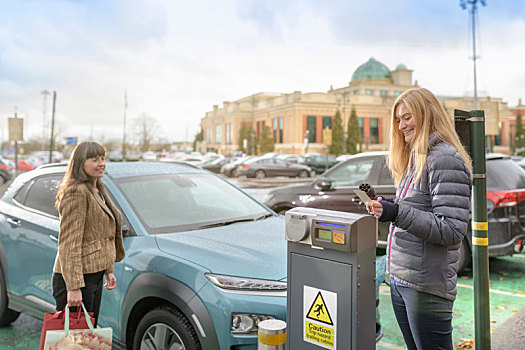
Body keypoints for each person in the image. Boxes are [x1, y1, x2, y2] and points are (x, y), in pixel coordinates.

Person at [366, 88, 472, 349]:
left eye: (407, 117)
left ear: (427, 114)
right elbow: (416, 212)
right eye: (398, 120)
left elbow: (450, 230)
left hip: (426, 287)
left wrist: (396, 213)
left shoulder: (444, 158)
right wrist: (388, 208)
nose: (401, 126)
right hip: (402, 280)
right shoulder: (416, 157)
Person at [52, 141, 125, 326]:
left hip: (93, 275)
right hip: (77, 279)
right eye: (94, 159)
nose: (101, 163)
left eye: (102, 158)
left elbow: (99, 234)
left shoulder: (98, 188)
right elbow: (69, 243)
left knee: (86, 337)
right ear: (80, 163)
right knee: (75, 339)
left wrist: (108, 269)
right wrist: (74, 287)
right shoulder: (77, 193)